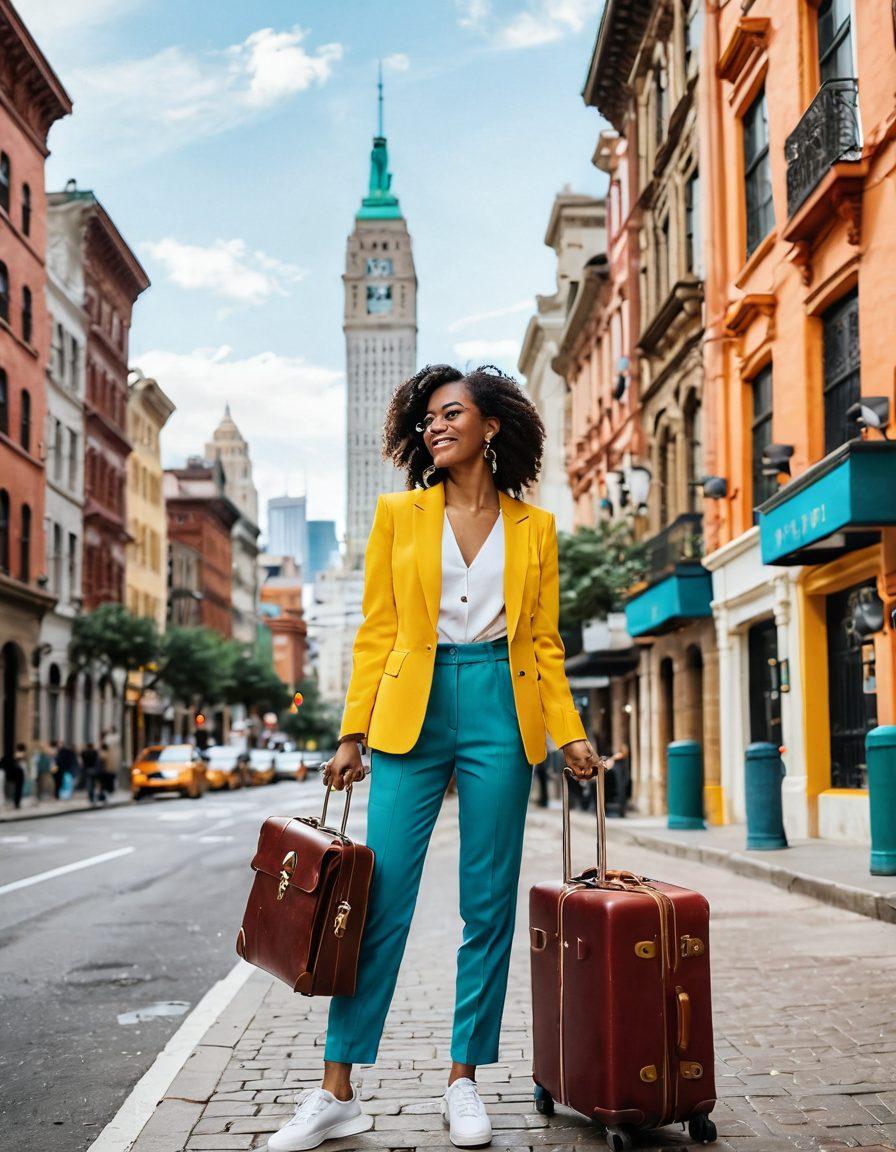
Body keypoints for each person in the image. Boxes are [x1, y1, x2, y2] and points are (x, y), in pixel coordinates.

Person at [267, 365, 602, 1152]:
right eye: (426, 419)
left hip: (499, 705)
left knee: (486, 906)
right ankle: (336, 1089)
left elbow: (543, 643)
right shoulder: (399, 515)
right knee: (377, 899)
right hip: (409, 710)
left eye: (451, 413)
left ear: (492, 427)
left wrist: (569, 732)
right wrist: (352, 732)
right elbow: (377, 631)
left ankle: (463, 1080)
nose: (434, 426)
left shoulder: (537, 528)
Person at [5, 743, 27, 809]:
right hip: (19, 775)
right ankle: (17, 803)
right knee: (18, 790)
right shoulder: (21, 755)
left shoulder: (15, 755)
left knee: (16, 789)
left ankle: (16, 803)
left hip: (16, 775)